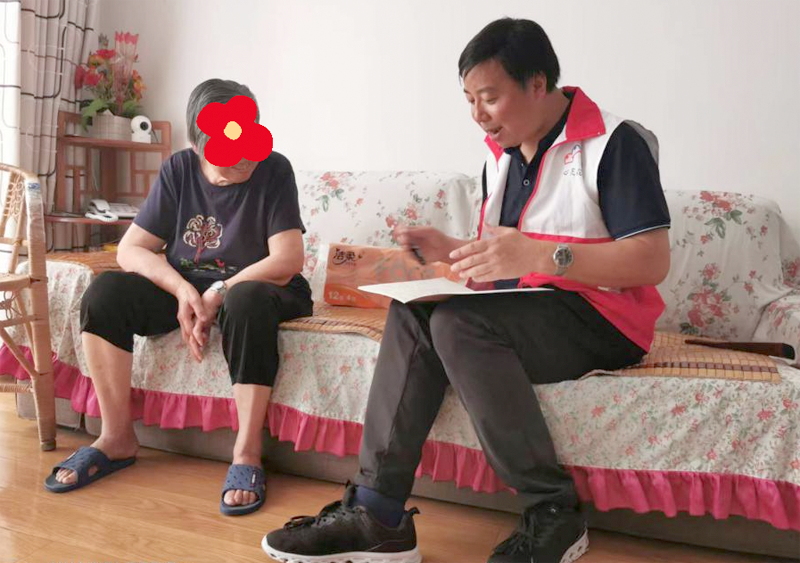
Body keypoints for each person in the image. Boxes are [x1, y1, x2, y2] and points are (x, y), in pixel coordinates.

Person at [263, 17, 671, 563]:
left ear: (537, 83)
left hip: (606, 319)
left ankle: (554, 511)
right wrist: (453, 250)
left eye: (490, 98)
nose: (478, 114)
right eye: (470, 100)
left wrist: (539, 254)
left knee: (459, 325)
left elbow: (652, 260)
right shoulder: (499, 156)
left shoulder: (614, 143)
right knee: (416, 312)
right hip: (533, 310)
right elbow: (502, 265)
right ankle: (377, 513)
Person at [44, 78, 312, 517]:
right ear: (197, 145)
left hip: (261, 288)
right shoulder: (179, 170)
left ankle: (246, 452)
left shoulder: (274, 169)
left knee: (244, 300)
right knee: (105, 291)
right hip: (189, 282)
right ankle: (116, 437)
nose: (243, 158)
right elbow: (131, 249)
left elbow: (288, 258)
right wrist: (184, 290)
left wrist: (220, 291)